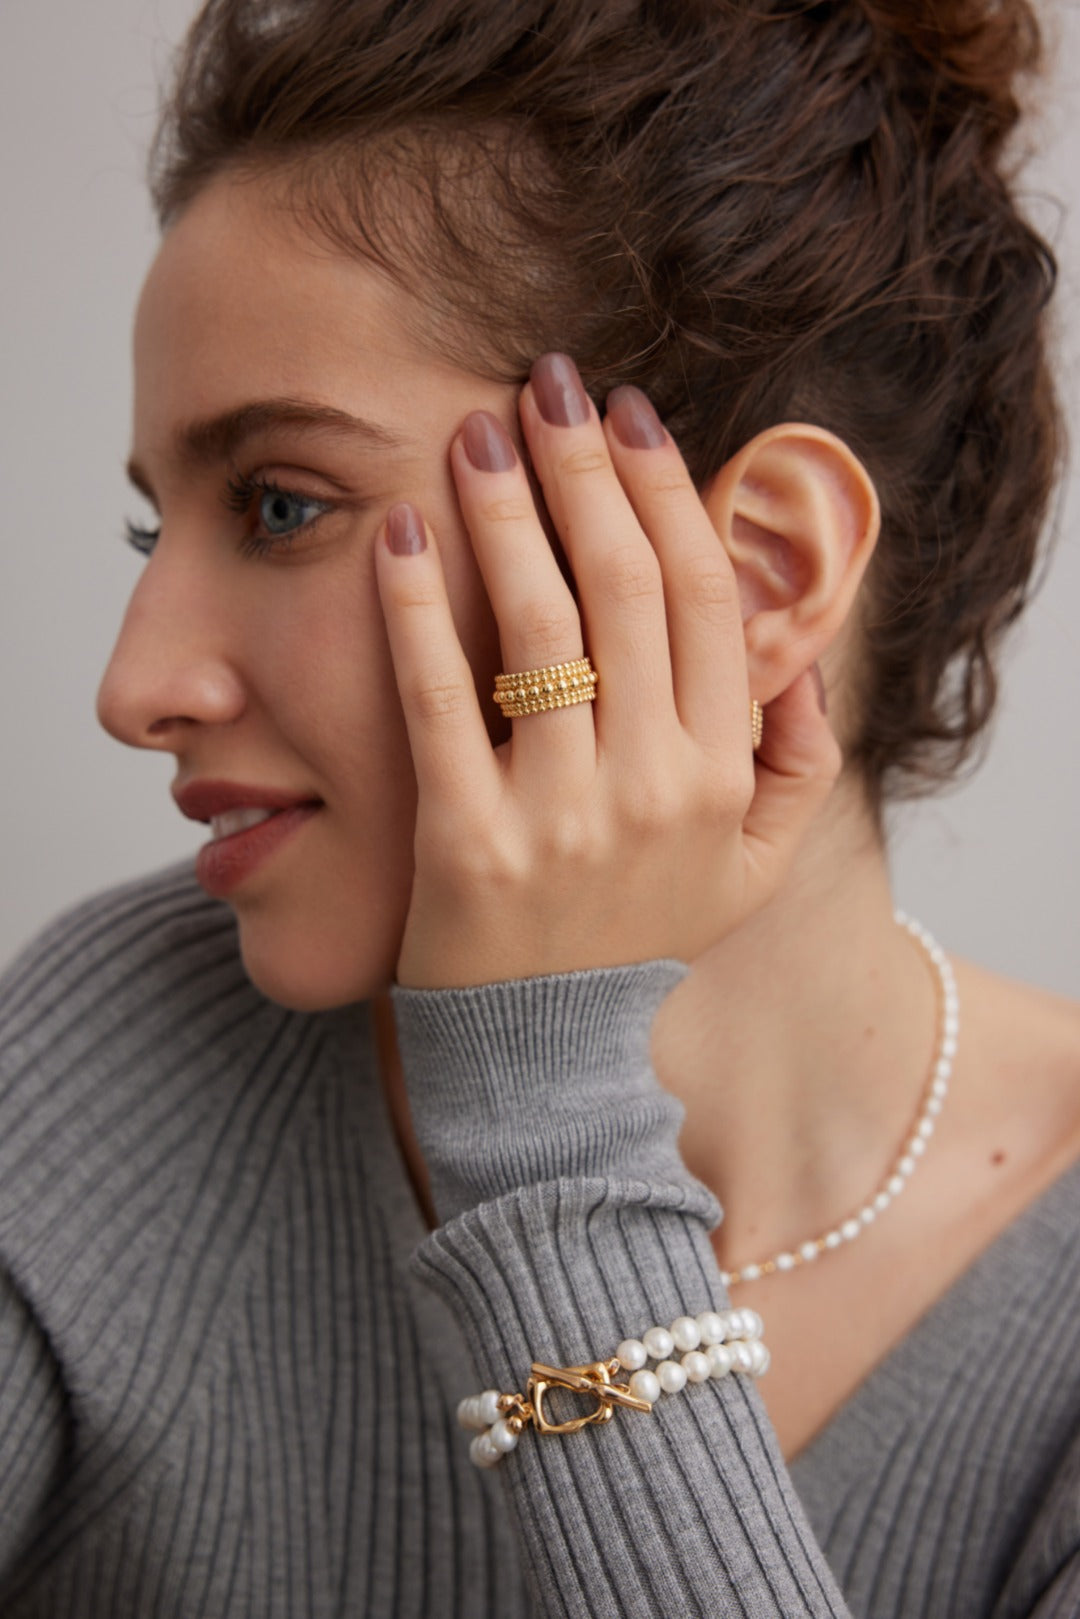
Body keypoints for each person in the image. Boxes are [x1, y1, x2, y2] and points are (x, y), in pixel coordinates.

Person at [1, 0, 1077, 1613]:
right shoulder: (116, 1060)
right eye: (160, 534)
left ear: (757, 569)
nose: (136, 684)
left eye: (283, 503)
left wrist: (549, 1125)